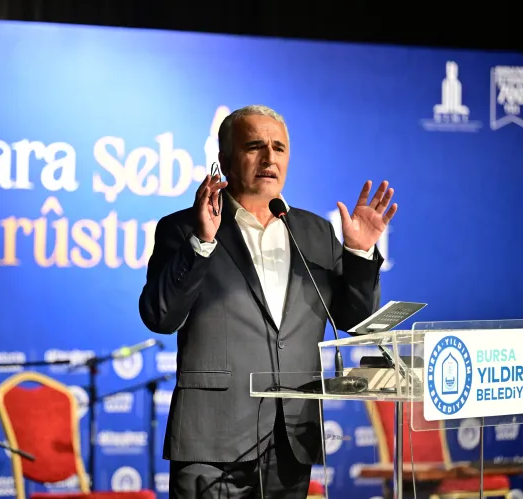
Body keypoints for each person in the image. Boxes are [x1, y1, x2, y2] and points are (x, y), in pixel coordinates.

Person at [139, 105, 397, 498]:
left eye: (279, 148)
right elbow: (159, 316)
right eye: (254, 146)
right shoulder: (184, 227)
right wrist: (202, 243)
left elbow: (356, 320)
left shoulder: (315, 231)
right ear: (225, 160)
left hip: (291, 439)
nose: (269, 158)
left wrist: (360, 255)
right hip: (213, 440)